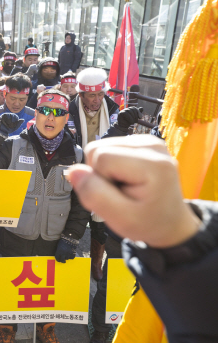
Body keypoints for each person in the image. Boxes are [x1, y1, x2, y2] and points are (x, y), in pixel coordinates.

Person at [66, 135, 218, 343]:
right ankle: (101, 329)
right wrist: (181, 243)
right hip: (128, 238)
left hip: (157, 254)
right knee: (108, 287)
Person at [0, 89, 90, 343]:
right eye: (45, 110)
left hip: (54, 234)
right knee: (12, 283)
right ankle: (7, 327)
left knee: (48, 287)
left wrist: (71, 237)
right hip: (15, 232)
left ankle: (46, 327)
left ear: (66, 117)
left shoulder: (77, 154)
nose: (51, 117)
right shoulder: (13, 144)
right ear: (35, 114)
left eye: (58, 112)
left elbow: (81, 203)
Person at [67, 67, 141, 283]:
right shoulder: (69, 108)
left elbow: (119, 141)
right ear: (81, 94)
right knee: (72, 217)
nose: (97, 99)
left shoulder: (113, 107)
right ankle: (68, 262)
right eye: (92, 95)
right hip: (75, 166)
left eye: (101, 94)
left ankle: (95, 263)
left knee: (101, 224)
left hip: (103, 170)